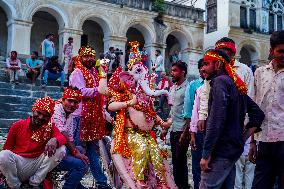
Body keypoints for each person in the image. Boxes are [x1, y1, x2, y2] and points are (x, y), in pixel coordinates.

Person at [199, 49, 264, 189]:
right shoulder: (235, 85)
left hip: (220, 150)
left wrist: (206, 154)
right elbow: (258, 114)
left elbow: (216, 120)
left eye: (206, 64)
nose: (202, 68)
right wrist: (242, 138)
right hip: (233, 149)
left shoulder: (220, 82)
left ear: (218, 65)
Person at [213, 37, 255, 189]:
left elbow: (249, 98)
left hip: (239, 126)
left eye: (226, 52)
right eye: (220, 52)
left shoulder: (244, 71)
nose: (223, 55)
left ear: (232, 54)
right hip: (220, 127)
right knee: (230, 168)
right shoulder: (215, 70)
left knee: (246, 166)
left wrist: (245, 124)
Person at [0, 97, 66, 189]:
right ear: (33, 110)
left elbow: (62, 138)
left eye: (45, 115)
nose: (41, 117)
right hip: (19, 163)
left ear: (49, 117)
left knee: (61, 149)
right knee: (3, 155)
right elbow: (7, 148)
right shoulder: (17, 125)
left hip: (37, 165)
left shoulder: (50, 128)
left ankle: (35, 183)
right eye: (38, 113)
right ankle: (14, 185)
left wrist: (54, 140)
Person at [69, 46, 111, 189]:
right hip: (79, 117)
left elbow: (101, 94)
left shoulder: (94, 72)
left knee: (93, 152)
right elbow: (78, 92)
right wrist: (97, 90)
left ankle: (101, 183)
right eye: (86, 56)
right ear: (81, 57)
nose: (89, 59)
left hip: (94, 118)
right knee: (79, 150)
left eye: (92, 56)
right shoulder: (77, 72)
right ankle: (74, 182)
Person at [250, 30, 284, 189]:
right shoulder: (260, 73)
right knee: (260, 185)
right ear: (271, 51)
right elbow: (254, 108)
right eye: (281, 51)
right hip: (264, 140)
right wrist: (252, 142)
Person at [52, 88, 89, 189]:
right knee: (81, 164)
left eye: (75, 102)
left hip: (61, 148)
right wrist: (75, 152)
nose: (72, 104)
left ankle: (74, 183)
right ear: (63, 100)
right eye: (69, 100)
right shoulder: (56, 110)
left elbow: (70, 137)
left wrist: (77, 151)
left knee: (82, 150)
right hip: (50, 153)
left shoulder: (70, 115)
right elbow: (63, 134)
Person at [163, 61, 189, 189]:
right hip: (173, 129)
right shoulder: (172, 88)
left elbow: (189, 113)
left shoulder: (188, 88)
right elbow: (172, 111)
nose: (172, 73)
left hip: (182, 130)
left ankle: (183, 185)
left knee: (181, 161)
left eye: (174, 70)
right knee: (175, 160)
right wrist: (165, 129)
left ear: (182, 72)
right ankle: (177, 185)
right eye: (172, 70)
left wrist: (186, 132)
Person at [183, 58, 205, 189]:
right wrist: (190, 132)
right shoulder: (194, 85)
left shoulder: (217, 84)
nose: (204, 70)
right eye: (202, 67)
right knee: (197, 164)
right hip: (197, 131)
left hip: (211, 132)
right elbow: (189, 111)